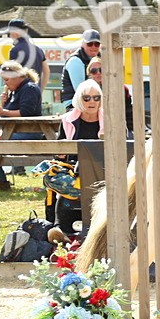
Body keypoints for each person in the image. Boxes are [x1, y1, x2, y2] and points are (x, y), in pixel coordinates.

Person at [52, 79, 104, 233]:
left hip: (103, 169)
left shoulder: (111, 120)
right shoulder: (67, 120)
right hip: (75, 171)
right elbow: (59, 156)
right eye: (86, 98)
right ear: (79, 100)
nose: (92, 101)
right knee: (63, 187)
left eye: (96, 97)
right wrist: (61, 154)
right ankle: (59, 229)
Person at [87, 56, 134, 135]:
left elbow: (128, 111)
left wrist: (129, 129)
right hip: (93, 129)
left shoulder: (121, 88)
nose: (98, 73)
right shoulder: (85, 90)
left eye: (101, 70)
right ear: (89, 74)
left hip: (119, 128)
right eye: (93, 71)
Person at [0, 61, 43, 135]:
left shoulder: (29, 88)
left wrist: (3, 112)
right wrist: (3, 103)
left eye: (6, 79)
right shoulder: (14, 91)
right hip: (12, 131)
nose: (5, 83)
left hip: (27, 132)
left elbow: (25, 112)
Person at [7, 18, 50, 93]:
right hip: (36, 94)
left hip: (21, 94)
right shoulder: (38, 50)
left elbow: (13, 75)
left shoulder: (15, 50)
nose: (10, 36)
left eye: (10, 33)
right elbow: (46, 72)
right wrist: (40, 91)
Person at [62, 29, 102, 109]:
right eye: (89, 44)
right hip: (74, 104)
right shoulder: (75, 61)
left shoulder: (100, 58)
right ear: (83, 44)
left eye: (97, 44)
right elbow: (81, 91)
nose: (93, 47)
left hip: (94, 101)